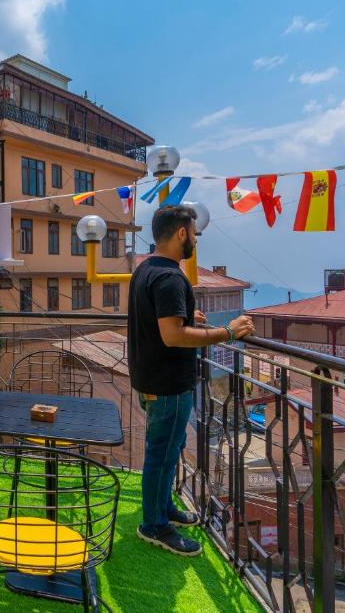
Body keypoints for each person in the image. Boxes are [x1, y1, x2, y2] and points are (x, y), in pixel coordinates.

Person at [128, 205, 254, 556]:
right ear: (182, 233)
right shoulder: (169, 277)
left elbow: (160, 319)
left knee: (167, 451)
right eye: (195, 233)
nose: (196, 239)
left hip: (153, 379)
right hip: (167, 383)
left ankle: (162, 508)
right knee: (161, 453)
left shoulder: (146, 270)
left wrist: (185, 314)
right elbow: (172, 336)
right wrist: (227, 332)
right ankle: (153, 525)